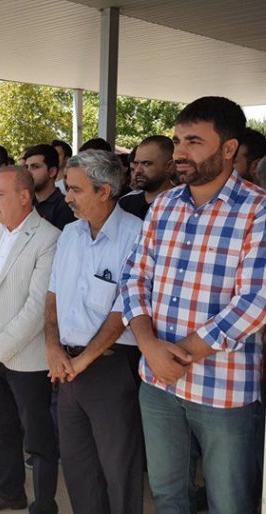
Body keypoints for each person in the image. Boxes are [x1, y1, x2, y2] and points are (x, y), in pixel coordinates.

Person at [121, 96, 265, 514]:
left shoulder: (258, 210)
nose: (180, 152)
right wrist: (150, 348)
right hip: (157, 383)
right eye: (178, 140)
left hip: (223, 389)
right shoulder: (165, 205)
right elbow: (134, 278)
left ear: (228, 148)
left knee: (229, 503)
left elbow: (255, 301)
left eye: (194, 142)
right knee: (168, 496)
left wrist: (180, 355)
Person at [45, 150, 144, 514]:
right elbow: (53, 294)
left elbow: (126, 308)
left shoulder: (136, 235)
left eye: (75, 189)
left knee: (119, 467)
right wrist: (54, 347)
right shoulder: (70, 234)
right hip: (67, 366)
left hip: (109, 365)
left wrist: (83, 359)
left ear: (104, 191)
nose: (67, 197)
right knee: (78, 466)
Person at [0, 166, 60, 514]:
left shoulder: (48, 238)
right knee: (3, 429)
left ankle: (45, 503)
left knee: (38, 437)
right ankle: (10, 493)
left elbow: (38, 307)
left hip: (25, 357)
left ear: (24, 195)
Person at [119, 135, 175, 220]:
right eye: (137, 163)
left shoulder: (183, 205)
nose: (138, 170)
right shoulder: (125, 203)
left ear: (169, 166)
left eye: (147, 164)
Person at [23, 144, 76, 230]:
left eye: (35, 167)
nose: (28, 172)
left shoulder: (65, 208)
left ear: (52, 172)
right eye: (26, 167)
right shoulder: (26, 203)